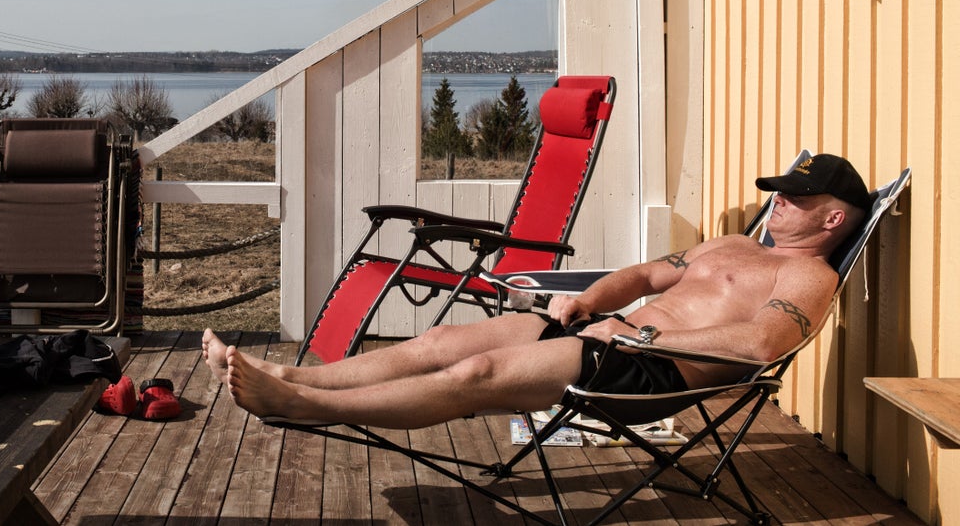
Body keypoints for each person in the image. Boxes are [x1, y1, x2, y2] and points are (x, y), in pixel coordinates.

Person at [202, 153, 872, 429]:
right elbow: (642, 277)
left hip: (649, 370)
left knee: (478, 370)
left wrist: (650, 335)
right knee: (437, 339)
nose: (779, 201)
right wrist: (590, 301)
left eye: (796, 198)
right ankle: (294, 375)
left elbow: (760, 342)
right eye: (779, 192)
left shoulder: (807, 276)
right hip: (606, 337)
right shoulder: (735, 245)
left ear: (833, 217)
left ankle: (306, 405)